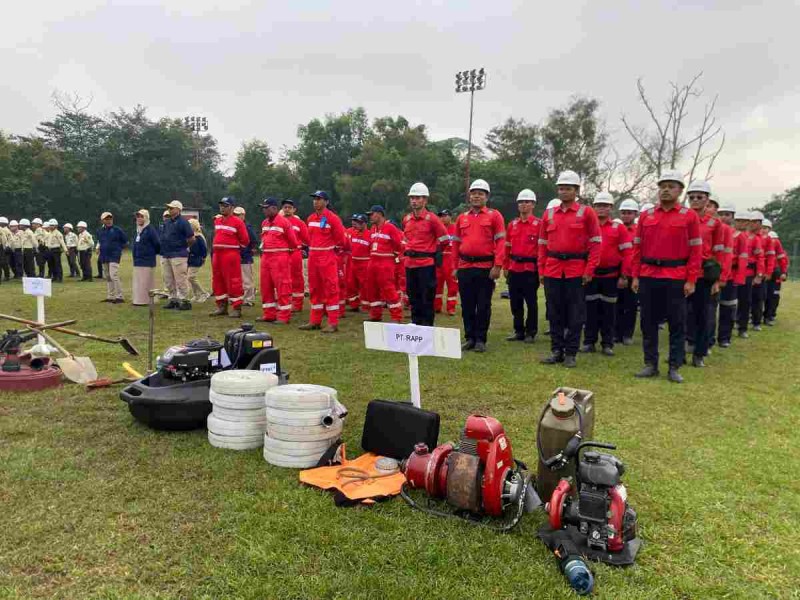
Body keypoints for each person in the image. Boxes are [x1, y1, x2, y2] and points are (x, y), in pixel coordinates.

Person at [631, 170, 702, 383]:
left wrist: (691, 279)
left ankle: (674, 366)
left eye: (671, 186)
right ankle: (650, 364)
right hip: (649, 275)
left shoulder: (689, 216)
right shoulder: (647, 215)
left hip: (675, 276)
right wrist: (635, 276)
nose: (666, 190)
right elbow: (637, 249)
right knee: (648, 322)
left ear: (680, 190)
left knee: (677, 323)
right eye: (663, 186)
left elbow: (696, 251)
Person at [537, 171, 601, 368]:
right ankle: (556, 350)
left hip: (576, 270)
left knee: (576, 314)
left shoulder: (586, 212)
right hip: (552, 269)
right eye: (561, 188)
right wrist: (541, 269)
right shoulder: (548, 214)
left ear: (576, 191)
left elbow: (596, 243)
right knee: (554, 312)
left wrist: (590, 270)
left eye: (568, 188)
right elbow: (542, 244)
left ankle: (571, 352)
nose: (564, 192)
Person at [452, 179, 506, 353]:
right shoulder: (462, 218)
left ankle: (481, 339)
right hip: (465, 266)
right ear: (469, 196)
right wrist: (455, 266)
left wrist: (497, 266)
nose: (476, 196)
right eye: (473, 193)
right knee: (467, 305)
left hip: (485, 268)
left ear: (487, 196)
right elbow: (455, 244)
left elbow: (501, 241)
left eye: (480, 193)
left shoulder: (494, 215)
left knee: (483, 305)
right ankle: (469, 338)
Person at [581, 192, 632, 356]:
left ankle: (607, 343)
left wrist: (624, 275)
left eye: (605, 205)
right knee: (590, 311)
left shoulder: (619, 228)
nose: (601, 208)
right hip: (591, 276)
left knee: (609, 311)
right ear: (594, 207)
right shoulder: (586, 227)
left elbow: (627, 253)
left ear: (611, 208)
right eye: (598, 205)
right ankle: (589, 342)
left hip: (611, 277)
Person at [684, 181, 725, 367]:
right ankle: (679, 353)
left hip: (703, 275)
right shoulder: (682, 218)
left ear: (707, 199)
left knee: (702, 314)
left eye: (699, 197)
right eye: (691, 197)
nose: (695, 200)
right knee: (680, 315)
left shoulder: (715, 224)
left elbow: (719, 252)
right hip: (681, 273)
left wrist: (717, 279)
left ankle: (699, 354)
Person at [402, 182, 449, 326]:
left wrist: (432, 251)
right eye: (412, 198)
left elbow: (445, 240)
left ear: (425, 200)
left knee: (427, 298)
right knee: (413, 297)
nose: (414, 201)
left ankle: (427, 327)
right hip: (410, 264)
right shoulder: (407, 219)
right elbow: (405, 239)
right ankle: (415, 323)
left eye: (418, 198)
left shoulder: (433, 219)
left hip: (426, 265)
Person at [299, 191, 346, 333]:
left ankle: (333, 322)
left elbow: (341, 240)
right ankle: (315, 321)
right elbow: (308, 238)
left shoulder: (333, 218)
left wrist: (331, 251)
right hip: (313, 255)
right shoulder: (311, 218)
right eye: (314, 199)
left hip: (327, 255)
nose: (315, 202)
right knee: (314, 288)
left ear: (326, 202)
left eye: (319, 199)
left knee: (331, 289)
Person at [503, 189, 541, 343]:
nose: (524, 204)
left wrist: (541, 269)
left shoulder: (539, 224)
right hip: (514, 268)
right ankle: (518, 331)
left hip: (531, 269)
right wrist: (505, 266)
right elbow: (506, 247)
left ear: (533, 205)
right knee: (515, 302)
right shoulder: (512, 224)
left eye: (527, 202)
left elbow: (542, 249)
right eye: (521, 202)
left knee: (531, 302)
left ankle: (531, 332)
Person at [257, 198, 299, 324]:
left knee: (282, 286)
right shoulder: (264, 223)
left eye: (266, 207)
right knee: (266, 286)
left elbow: (293, 242)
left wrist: (284, 254)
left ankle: (284, 316)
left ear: (274, 208)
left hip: (279, 257)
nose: (264, 210)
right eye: (263, 208)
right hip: (266, 257)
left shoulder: (284, 222)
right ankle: (269, 314)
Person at [210, 197, 250, 318]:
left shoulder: (238, 222)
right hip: (217, 254)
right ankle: (222, 306)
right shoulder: (217, 220)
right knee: (218, 280)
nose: (222, 207)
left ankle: (236, 307)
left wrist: (234, 248)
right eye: (221, 205)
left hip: (230, 254)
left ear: (232, 208)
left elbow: (245, 240)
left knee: (233, 281)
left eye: (225, 205)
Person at [364, 205, 404, 324]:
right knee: (372, 289)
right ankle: (376, 315)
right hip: (373, 261)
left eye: (372, 214)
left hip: (385, 262)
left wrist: (393, 256)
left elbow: (399, 244)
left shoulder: (390, 227)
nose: (370, 217)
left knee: (388, 289)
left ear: (379, 214)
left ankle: (396, 316)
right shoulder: (372, 228)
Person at [716, 202, 746, 348]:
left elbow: (743, 257)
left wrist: (739, 279)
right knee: (709, 309)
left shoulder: (739, 236)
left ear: (733, 217)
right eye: (721, 214)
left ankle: (724, 337)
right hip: (714, 274)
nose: (723, 217)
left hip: (731, 276)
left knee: (727, 307)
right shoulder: (714, 230)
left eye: (727, 215)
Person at [160, 200, 195, 310]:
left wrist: (184, 247)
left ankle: (185, 301)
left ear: (178, 210)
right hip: (167, 254)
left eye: (172, 208)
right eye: (169, 208)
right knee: (168, 279)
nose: (169, 210)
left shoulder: (184, 222)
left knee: (180, 279)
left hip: (178, 254)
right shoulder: (167, 222)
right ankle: (173, 299)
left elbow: (191, 238)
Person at [615, 199, 640, 345]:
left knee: (631, 306)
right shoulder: (615, 228)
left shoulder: (638, 231)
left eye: (629, 213)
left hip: (634, 273)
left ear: (635, 214)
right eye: (623, 213)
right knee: (617, 305)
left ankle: (627, 334)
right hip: (617, 272)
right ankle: (616, 334)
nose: (626, 215)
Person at [736, 212, 765, 338]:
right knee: (729, 301)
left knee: (745, 301)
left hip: (747, 273)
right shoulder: (734, 234)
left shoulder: (756, 239)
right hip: (732, 272)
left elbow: (760, 258)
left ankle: (742, 328)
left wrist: (759, 275)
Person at [281, 199, 309, 312]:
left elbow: (307, 239)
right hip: (281, 253)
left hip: (295, 253)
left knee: (296, 278)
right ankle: (285, 302)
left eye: (289, 207)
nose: (287, 209)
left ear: (294, 209)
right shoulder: (278, 221)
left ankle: (297, 304)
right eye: (285, 207)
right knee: (283, 279)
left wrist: (302, 247)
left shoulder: (299, 223)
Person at [96, 212, 129, 303]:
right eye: (106, 219)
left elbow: (126, 242)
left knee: (113, 274)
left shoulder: (117, 230)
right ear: (102, 220)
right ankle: (110, 296)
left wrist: (119, 249)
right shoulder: (99, 231)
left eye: (110, 218)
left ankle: (119, 296)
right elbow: (100, 241)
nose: (109, 220)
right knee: (107, 276)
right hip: (104, 255)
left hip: (114, 255)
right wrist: (98, 248)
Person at [131, 209, 161, 306]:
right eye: (138, 216)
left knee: (146, 281)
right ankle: (138, 300)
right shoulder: (138, 230)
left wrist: (150, 253)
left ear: (146, 218)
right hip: (138, 260)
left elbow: (157, 244)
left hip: (147, 260)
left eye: (141, 216)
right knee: (139, 281)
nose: (139, 218)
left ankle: (146, 301)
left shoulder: (150, 230)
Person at [435, 209, 458, 316]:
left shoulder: (456, 228)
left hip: (451, 259)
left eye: (445, 216)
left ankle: (451, 308)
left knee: (452, 285)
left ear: (450, 217)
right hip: (439, 258)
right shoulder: (437, 229)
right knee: (437, 285)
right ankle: (436, 306)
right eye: (441, 216)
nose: (442, 218)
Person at [233, 206, 258, 307]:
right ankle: (242, 297)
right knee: (239, 279)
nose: (236, 216)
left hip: (245, 256)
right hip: (236, 256)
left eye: (238, 215)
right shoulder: (235, 225)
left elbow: (254, 240)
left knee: (247, 279)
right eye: (235, 215)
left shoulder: (247, 226)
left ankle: (249, 299)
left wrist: (248, 251)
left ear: (243, 215)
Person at [345, 213, 371, 312]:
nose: (354, 223)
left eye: (357, 222)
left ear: (364, 223)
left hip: (364, 263)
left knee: (364, 285)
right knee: (351, 283)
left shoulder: (370, 235)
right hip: (353, 261)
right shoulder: (351, 233)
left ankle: (366, 305)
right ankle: (354, 304)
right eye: (353, 221)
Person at [750, 211, 770, 331]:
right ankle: (741, 319)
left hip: (758, 271)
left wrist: (762, 273)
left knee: (758, 297)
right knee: (745, 298)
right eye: (753, 222)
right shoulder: (746, 236)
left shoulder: (766, 240)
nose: (755, 224)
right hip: (744, 271)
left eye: (757, 222)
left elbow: (763, 258)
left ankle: (756, 321)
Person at [764, 224, 788, 325]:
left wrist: (784, 272)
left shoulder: (775, 242)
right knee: (759, 296)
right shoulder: (757, 239)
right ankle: (756, 316)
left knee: (773, 295)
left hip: (774, 273)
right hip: (761, 272)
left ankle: (769, 316)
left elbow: (783, 260)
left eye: (766, 228)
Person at [187, 218, 209, 302]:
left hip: (196, 259)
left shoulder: (199, 237)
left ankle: (203, 293)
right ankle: (196, 295)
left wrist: (203, 258)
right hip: (190, 259)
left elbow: (204, 249)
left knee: (191, 277)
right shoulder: (190, 236)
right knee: (190, 278)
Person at [0, 216, 11, 282]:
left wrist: (4, 246)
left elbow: (5, 239)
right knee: (4, 262)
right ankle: (6, 276)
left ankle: (7, 276)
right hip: (3, 247)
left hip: (2, 247)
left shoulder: (3, 230)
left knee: (3, 262)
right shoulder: (4, 229)